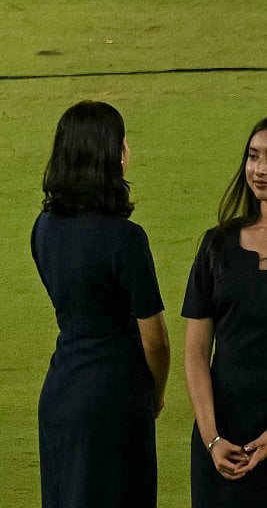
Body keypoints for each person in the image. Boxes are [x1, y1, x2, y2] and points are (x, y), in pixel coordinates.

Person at [32, 100, 170, 508]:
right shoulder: (125, 239)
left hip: (61, 391)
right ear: (112, 156)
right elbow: (156, 342)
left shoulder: (43, 227)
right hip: (114, 398)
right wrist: (156, 393)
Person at [183, 117, 267, 506]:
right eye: (253, 156)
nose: (260, 170)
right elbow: (196, 351)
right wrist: (212, 439)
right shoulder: (216, 246)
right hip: (224, 446)